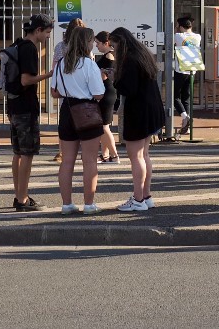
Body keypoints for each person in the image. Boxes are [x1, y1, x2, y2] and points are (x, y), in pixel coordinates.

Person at [51, 26, 107, 215]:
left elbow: (54, 92)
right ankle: (89, 204)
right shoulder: (89, 64)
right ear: (87, 42)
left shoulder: (61, 63)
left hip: (67, 110)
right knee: (89, 160)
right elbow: (98, 94)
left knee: (67, 161)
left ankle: (67, 204)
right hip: (87, 111)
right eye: (92, 41)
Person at [109, 27, 165, 212]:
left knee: (136, 157)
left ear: (121, 42)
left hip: (139, 111)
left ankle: (138, 199)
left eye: (114, 45)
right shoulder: (142, 54)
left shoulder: (129, 60)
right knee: (144, 155)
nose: (113, 49)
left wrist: (114, 79)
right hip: (152, 108)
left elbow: (129, 89)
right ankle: (146, 196)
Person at [8, 14, 53, 211]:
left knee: (18, 153)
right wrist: (48, 74)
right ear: (38, 30)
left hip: (13, 105)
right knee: (27, 154)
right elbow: (26, 80)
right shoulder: (30, 49)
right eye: (47, 32)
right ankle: (22, 199)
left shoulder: (17, 44)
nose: (48, 36)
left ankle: (19, 195)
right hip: (26, 107)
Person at [52, 18, 86, 162]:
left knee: (65, 121)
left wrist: (56, 84)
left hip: (65, 88)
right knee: (84, 121)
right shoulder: (85, 47)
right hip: (82, 90)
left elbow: (55, 67)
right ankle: (85, 151)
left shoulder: (60, 46)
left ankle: (62, 151)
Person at [94, 30, 120, 163]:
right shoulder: (109, 55)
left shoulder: (109, 56)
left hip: (107, 92)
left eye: (98, 43)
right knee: (104, 126)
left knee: (103, 126)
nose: (96, 45)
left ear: (106, 43)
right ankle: (105, 155)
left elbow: (104, 76)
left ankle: (114, 155)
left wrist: (96, 70)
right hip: (107, 92)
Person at [172, 15, 201, 136]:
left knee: (174, 97)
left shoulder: (178, 36)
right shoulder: (197, 37)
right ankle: (186, 126)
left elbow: (171, 38)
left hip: (180, 70)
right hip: (192, 70)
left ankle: (185, 117)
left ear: (180, 26)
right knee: (186, 98)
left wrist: (175, 29)